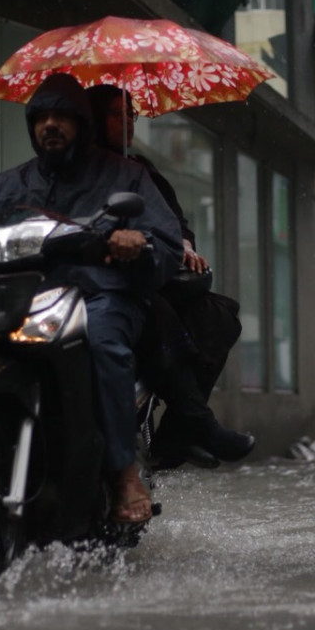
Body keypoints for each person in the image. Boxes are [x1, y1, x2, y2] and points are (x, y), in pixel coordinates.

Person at [0, 73, 184, 523]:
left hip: (100, 296)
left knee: (103, 344)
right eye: (42, 117)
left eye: (63, 116)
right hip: (19, 302)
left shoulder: (127, 175)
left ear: (83, 123)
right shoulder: (7, 185)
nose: (51, 126)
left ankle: (123, 472)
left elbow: (168, 244)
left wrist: (137, 241)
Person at [87, 84, 254, 467]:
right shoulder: (77, 169)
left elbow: (173, 219)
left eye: (132, 114)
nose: (129, 121)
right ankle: (198, 423)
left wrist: (183, 244)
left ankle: (177, 433)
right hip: (103, 284)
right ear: (94, 120)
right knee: (157, 316)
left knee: (218, 317)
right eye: (117, 114)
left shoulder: (140, 168)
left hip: (150, 271)